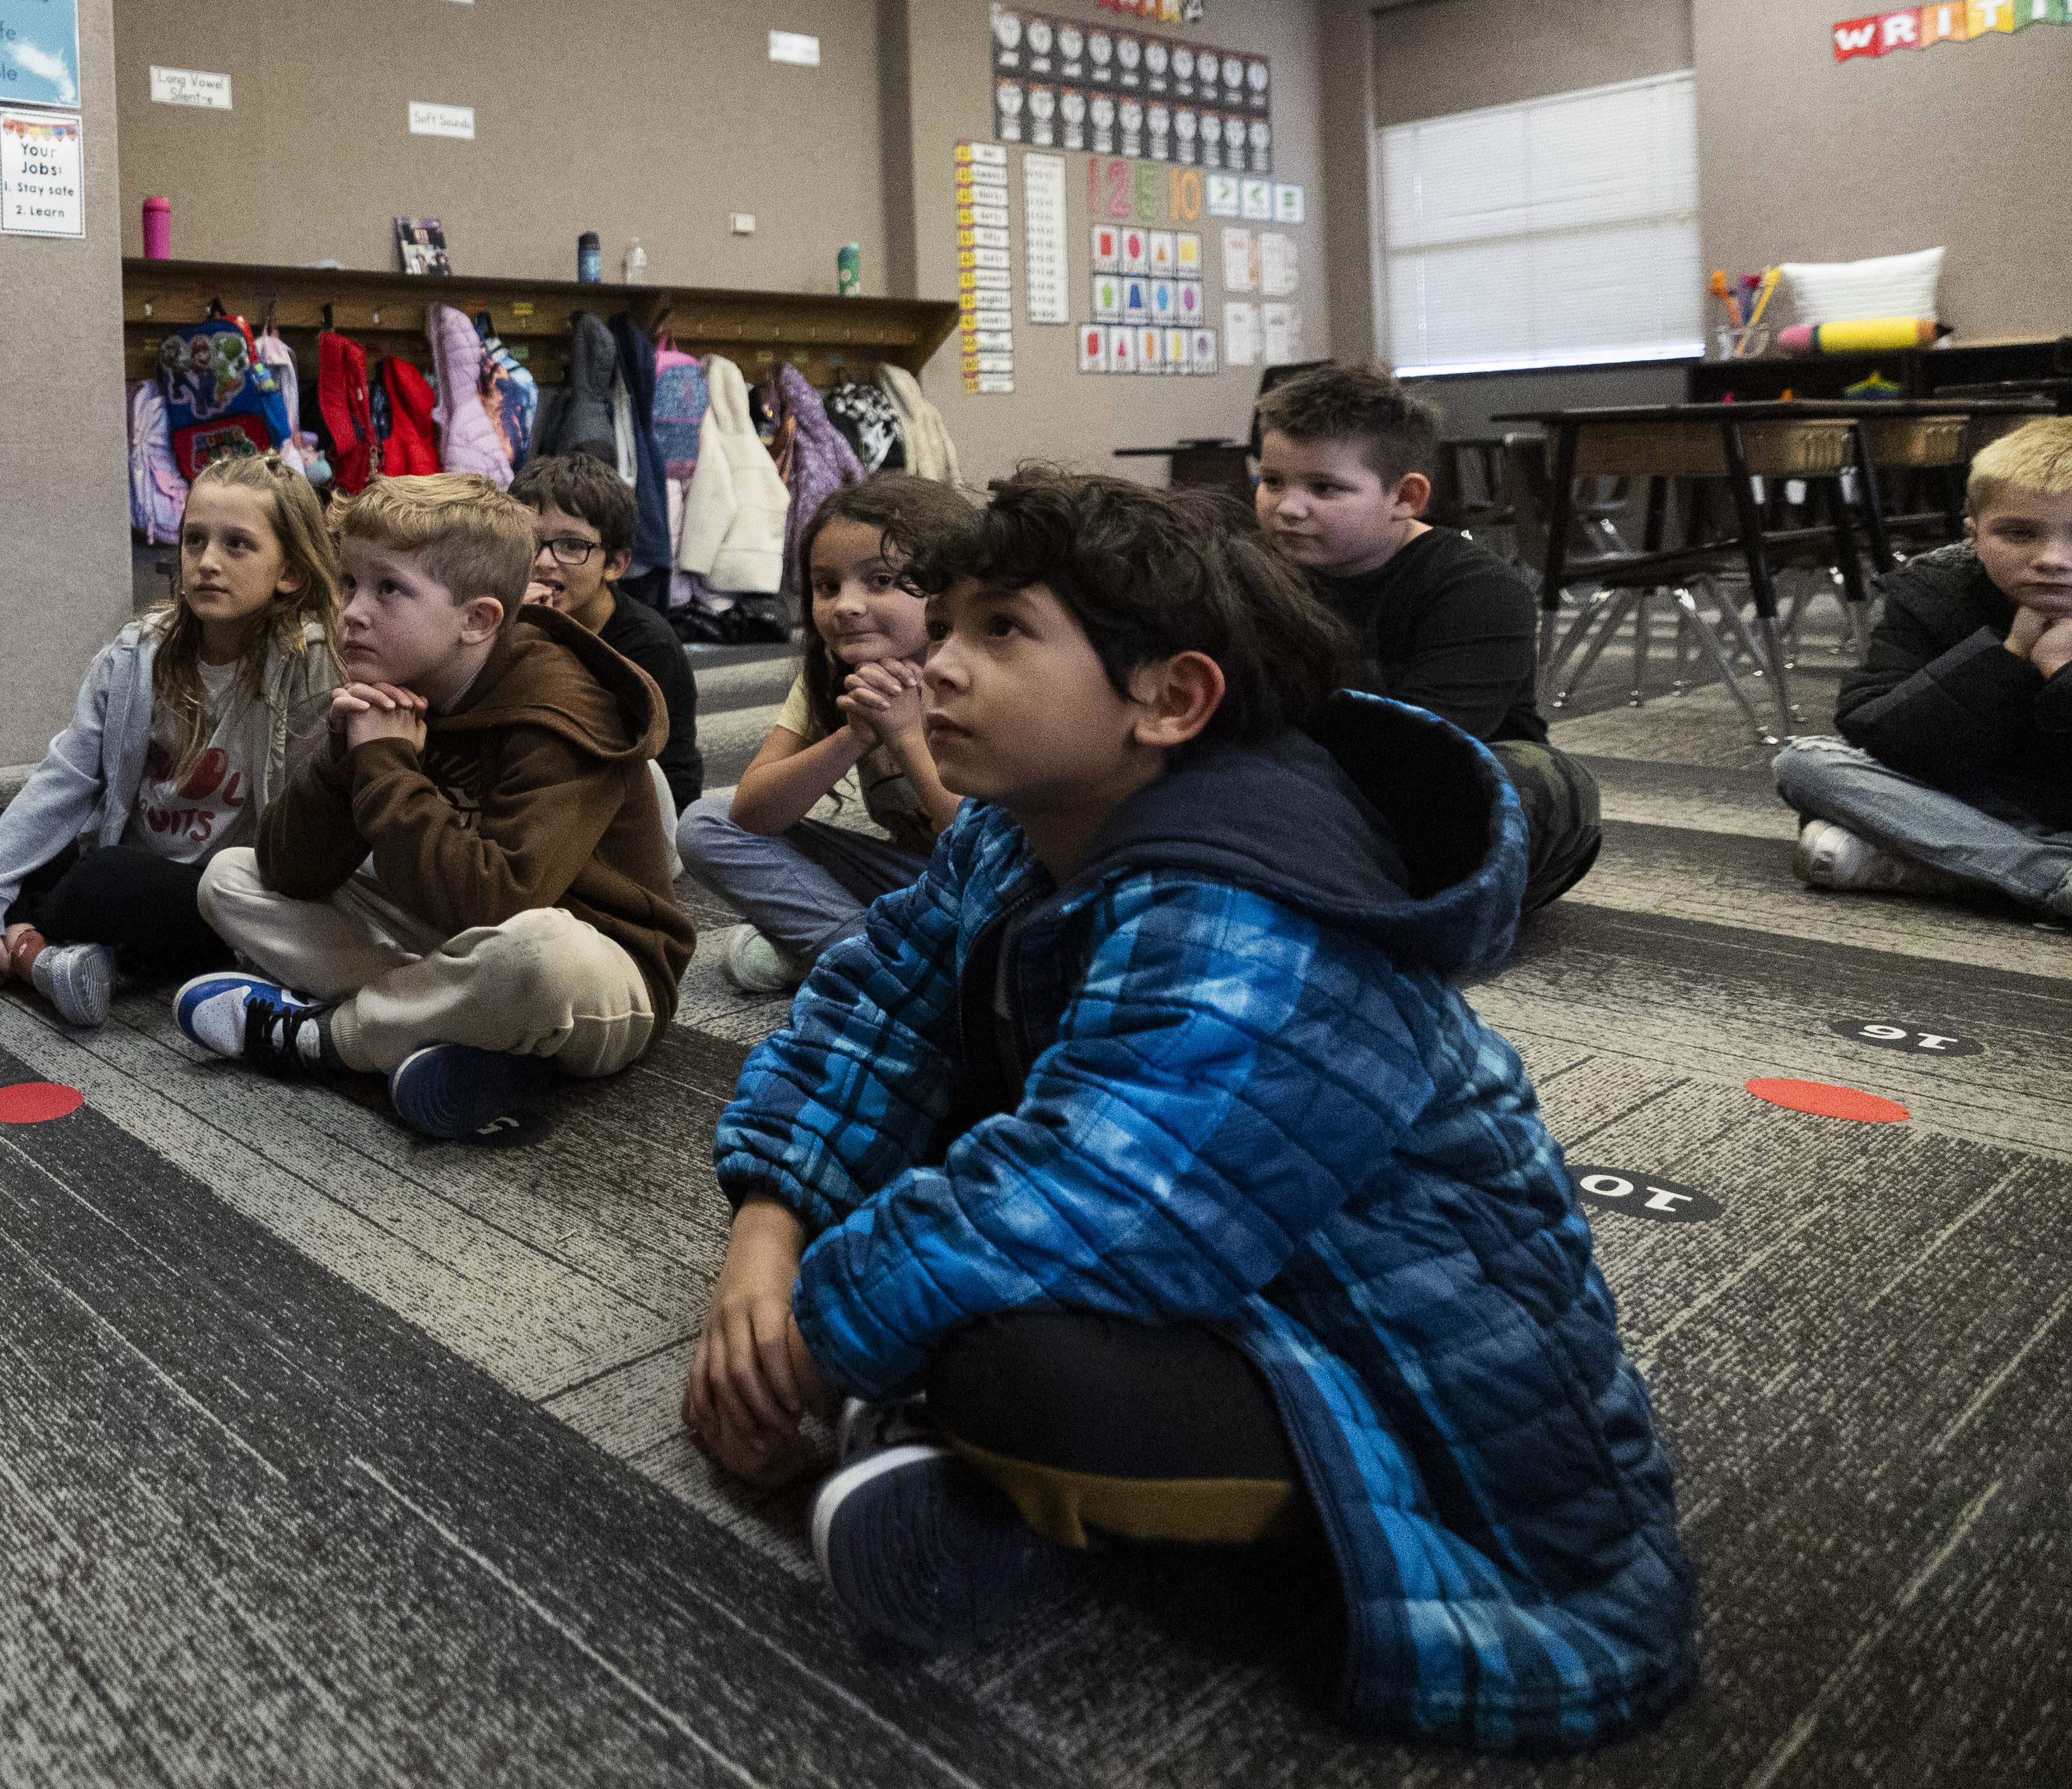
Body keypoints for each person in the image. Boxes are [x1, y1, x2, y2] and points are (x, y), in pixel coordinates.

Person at [686, 471, 1694, 1755]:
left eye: (1002, 630)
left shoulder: (1252, 897)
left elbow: (1105, 1199)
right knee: (933, 1208)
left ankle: (1138, 1516)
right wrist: (766, 1228)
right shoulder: (1021, 821)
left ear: (1172, 696)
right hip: (1217, 1259)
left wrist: (804, 1336)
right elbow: (874, 1006)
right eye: (945, 625)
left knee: (1022, 1375)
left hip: (1403, 1364)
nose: (937, 664)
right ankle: (990, 1489)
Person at [172, 474, 690, 1146]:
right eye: (350, 582)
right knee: (229, 877)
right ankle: (451, 1032)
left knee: (538, 952)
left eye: (389, 588)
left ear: (477, 619)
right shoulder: (403, 676)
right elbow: (288, 870)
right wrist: (346, 748)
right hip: (454, 938)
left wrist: (386, 766)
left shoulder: (560, 706)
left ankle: (325, 1037)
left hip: (602, 974)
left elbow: (499, 903)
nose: (353, 611)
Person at [0, 452, 342, 1026]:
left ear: (290, 572)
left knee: (107, 879)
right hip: (114, 856)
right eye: (194, 540)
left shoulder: (311, 669)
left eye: (237, 545)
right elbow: (66, 779)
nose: (207, 562)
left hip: (213, 898)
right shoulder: (138, 652)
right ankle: (36, 945)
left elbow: (305, 840)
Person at [1251, 362, 1599, 918]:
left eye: (1324, 488)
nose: (1287, 508)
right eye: (1272, 481)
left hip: (1434, 789)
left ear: (1406, 497)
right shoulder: (1251, 572)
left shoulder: (1478, 589)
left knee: (1546, 783)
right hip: (1299, 791)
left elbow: (1424, 752)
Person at [683, 475, 975, 997]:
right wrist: (854, 735)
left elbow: (989, 848)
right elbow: (752, 813)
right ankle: (881, 964)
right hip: (920, 882)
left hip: (1002, 888)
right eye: (827, 586)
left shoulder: (976, 673)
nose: (846, 605)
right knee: (704, 823)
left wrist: (906, 733)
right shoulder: (832, 673)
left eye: (881, 580)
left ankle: (860, 965)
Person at [1773, 415, 2072, 920]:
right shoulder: (1936, 591)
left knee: (1843, 814)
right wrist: (2011, 656)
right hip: (1980, 794)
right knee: (1804, 763)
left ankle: (1937, 865)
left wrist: (2062, 669)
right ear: (1973, 537)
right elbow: (1876, 730)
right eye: (2018, 533)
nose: (2053, 559)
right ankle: (2048, 876)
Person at [510, 452, 702, 808]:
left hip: (641, 807)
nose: (543, 561)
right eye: (529, 541)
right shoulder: (511, 614)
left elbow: (596, 750)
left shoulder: (646, 644)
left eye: (572, 546)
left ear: (614, 565)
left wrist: (530, 637)